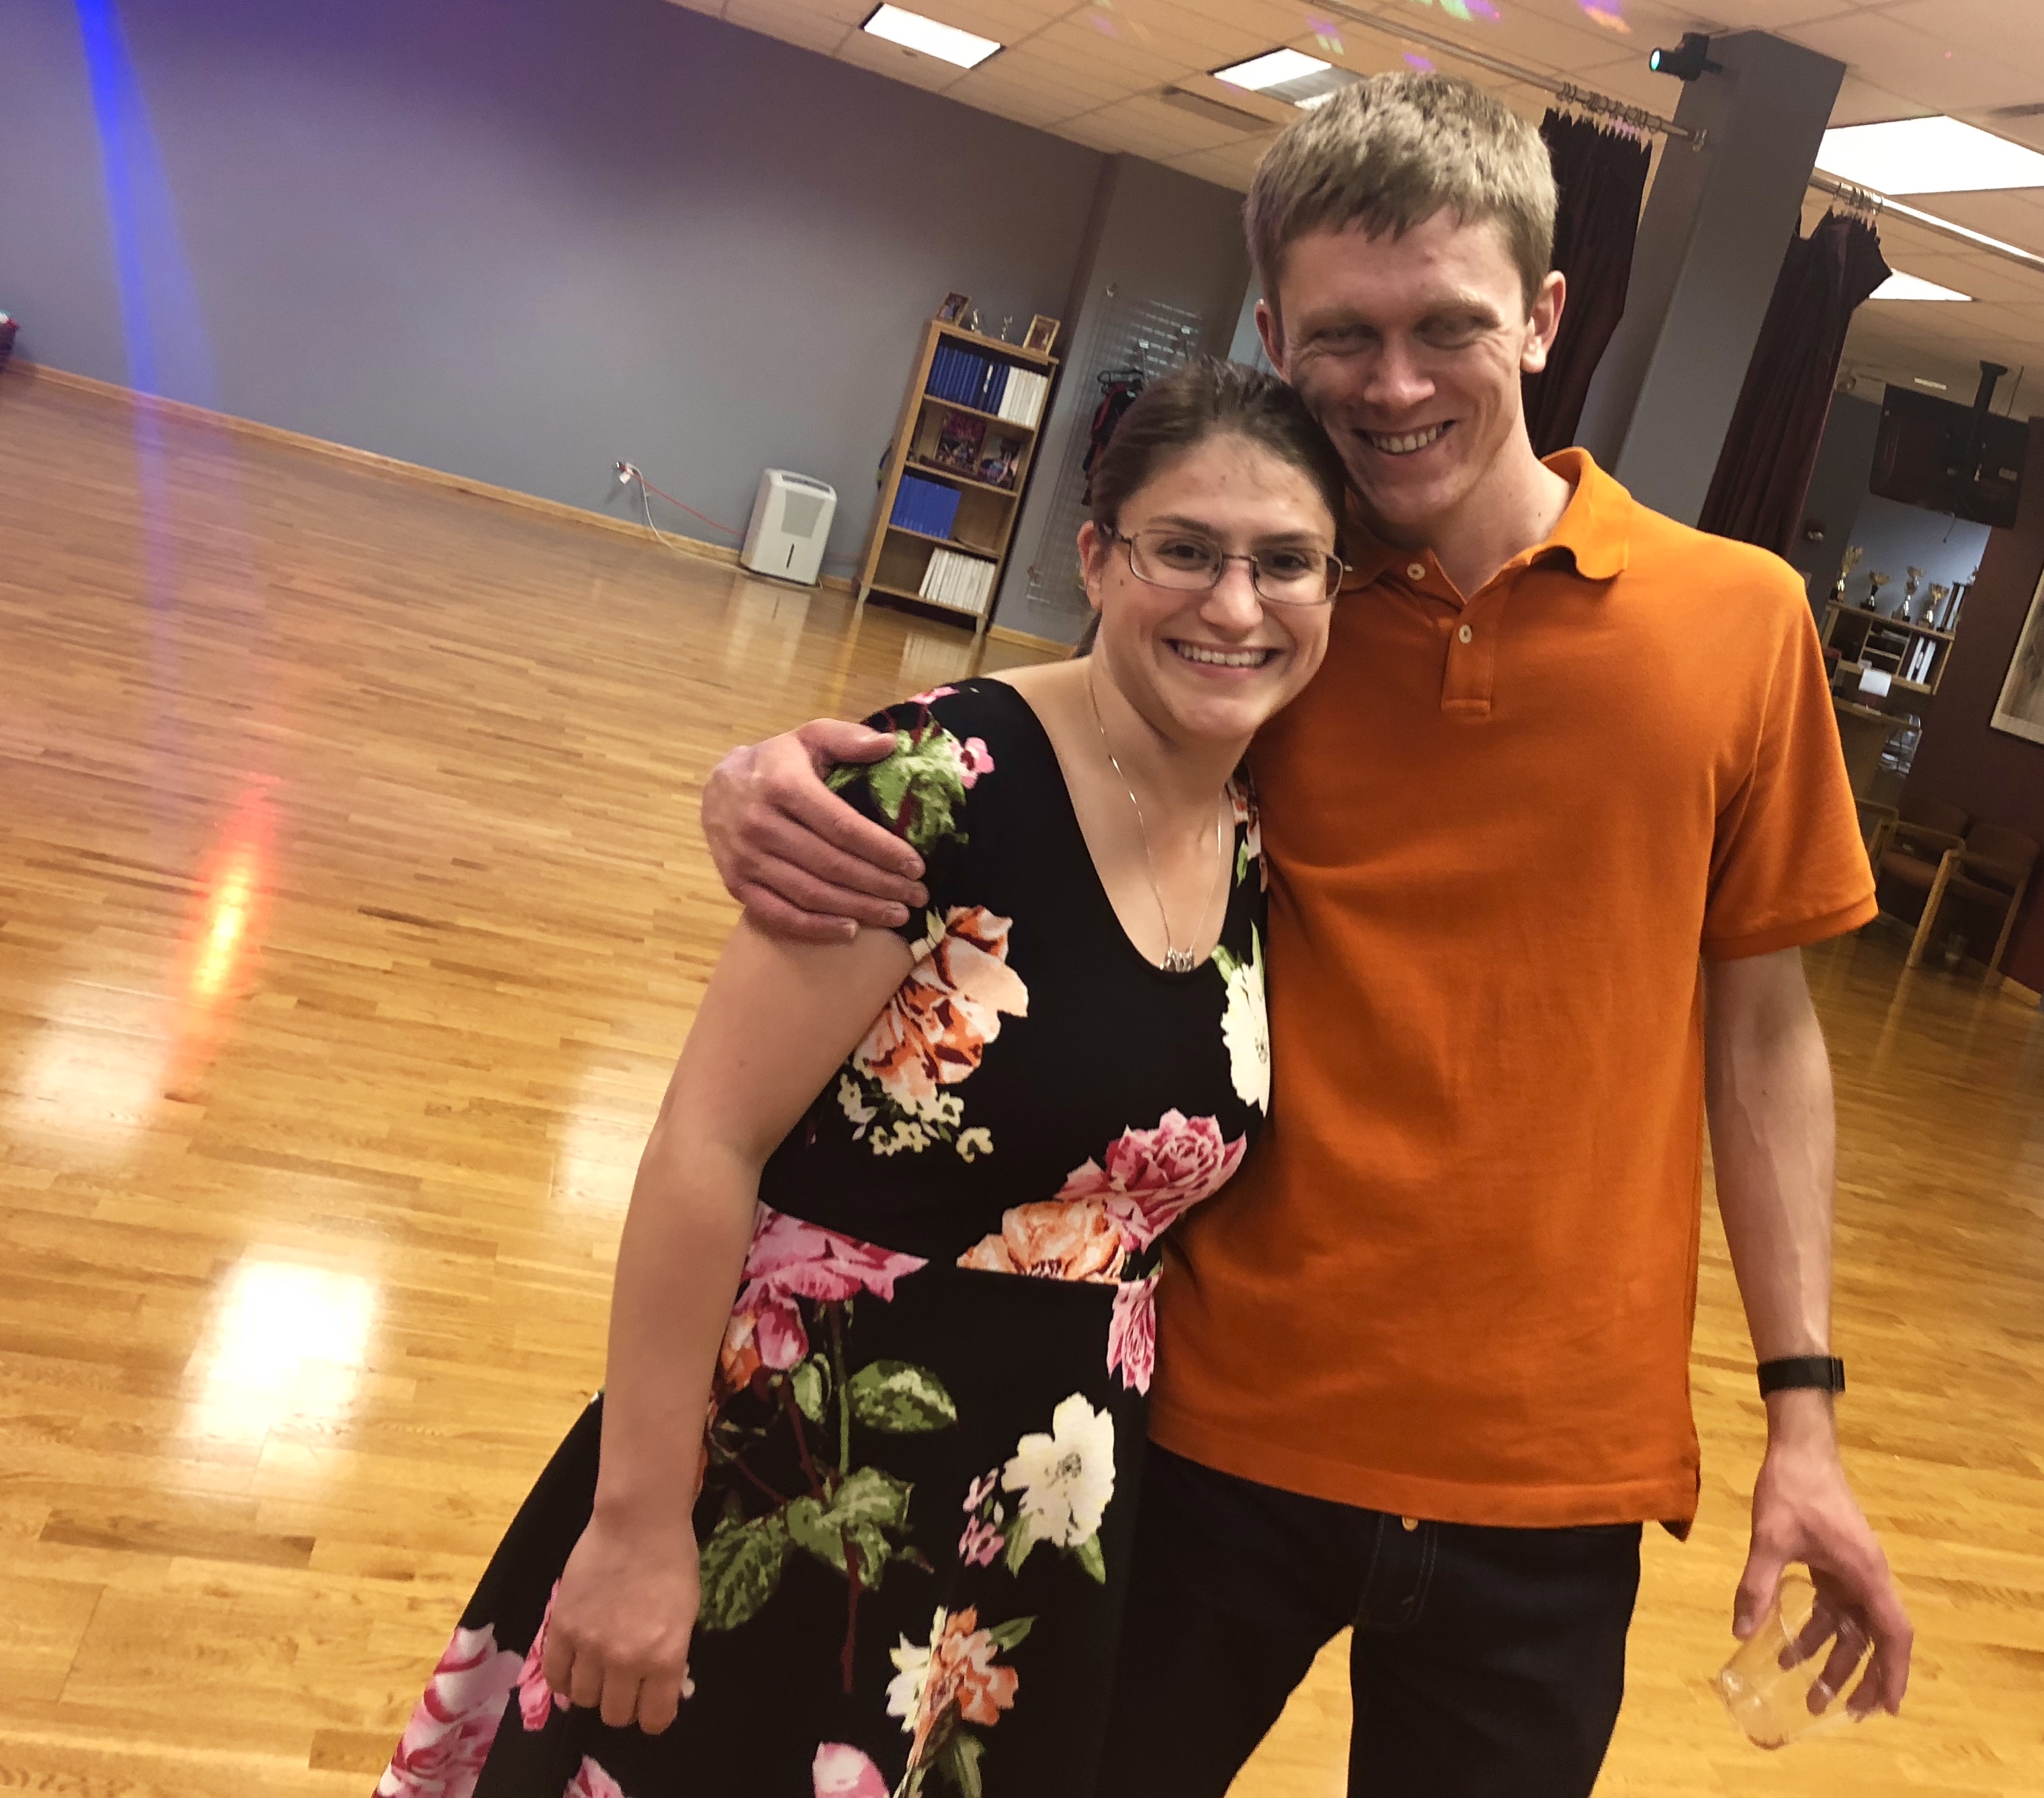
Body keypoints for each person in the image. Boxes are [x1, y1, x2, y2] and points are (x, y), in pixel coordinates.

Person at [701, 73, 1914, 1798]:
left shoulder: (1740, 624)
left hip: (1551, 1473)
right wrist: (773, 771)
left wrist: (1804, 1416)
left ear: (1544, 318)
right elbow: (1039, 742)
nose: (1395, 384)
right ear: (1275, 335)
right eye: (1344, 334)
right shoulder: (1268, 622)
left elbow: (1764, 1033)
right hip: (1205, 1424)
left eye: (1448, 327)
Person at [374, 360, 1347, 1798]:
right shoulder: (937, 781)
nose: (1236, 604)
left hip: (1035, 1510)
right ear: (1095, 557)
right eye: (1185, 551)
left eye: (1286, 563)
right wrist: (635, 1523)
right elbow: (705, 1142)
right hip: (794, 1465)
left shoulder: (1256, 832)